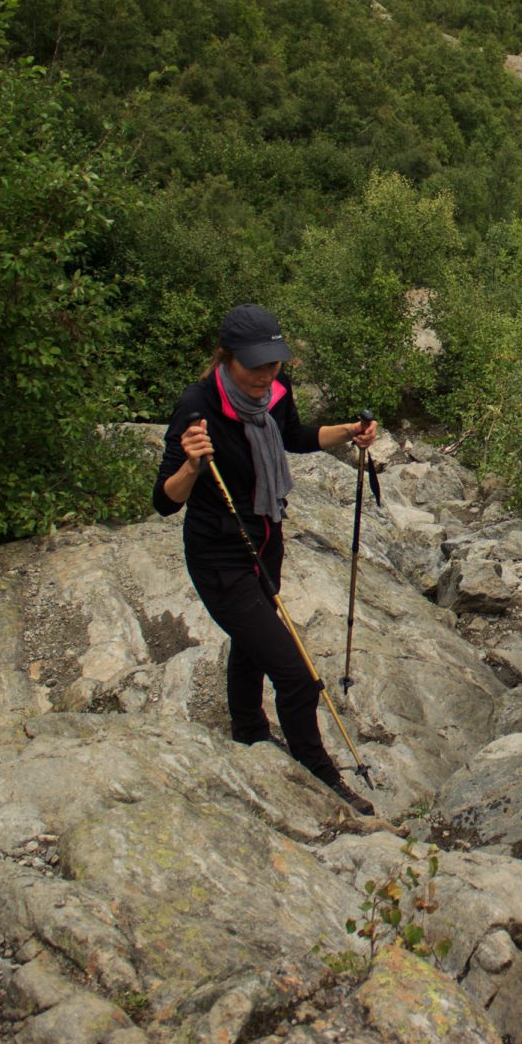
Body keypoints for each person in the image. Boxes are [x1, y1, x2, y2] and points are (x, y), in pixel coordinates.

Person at [153, 303, 379, 815]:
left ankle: (249, 734)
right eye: (255, 365)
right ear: (227, 358)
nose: (266, 375)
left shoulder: (275, 393)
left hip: (266, 539)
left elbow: (293, 438)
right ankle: (318, 773)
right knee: (297, 675)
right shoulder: (199, 405)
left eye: (273, 364)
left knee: (253, 646)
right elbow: (165, 500)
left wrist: (347, 432)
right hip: (219, 555)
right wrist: (192, 464)